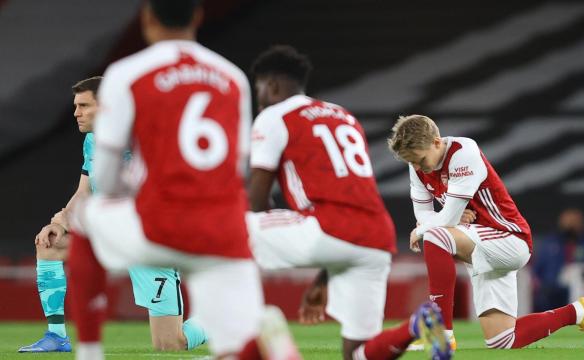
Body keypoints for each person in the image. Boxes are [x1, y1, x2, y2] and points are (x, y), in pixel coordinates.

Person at [65, 2, 299, 359]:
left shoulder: (128, 74)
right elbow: (237, 165)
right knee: (235, 347)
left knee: (84, 217)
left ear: (147, 19)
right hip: (223, 227)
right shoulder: (232, 77)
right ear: (198, 16)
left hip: (159, 223)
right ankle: (260, 336)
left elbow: (108, 176)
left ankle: (90, 351)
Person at [246, 44, 452, 360]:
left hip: (326, 228)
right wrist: (325, 275)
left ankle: (247, 339)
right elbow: (347, 201)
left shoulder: (274, 116)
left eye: (258, 88)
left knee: (227, 231)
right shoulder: (343, 116)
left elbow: (257, 197)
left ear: (271, 85)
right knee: (359, 353)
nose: (258, 97)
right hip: (376, 239)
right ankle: (413, 325)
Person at [18, 76, 207, 353]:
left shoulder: (147, 138)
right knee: (50, 244)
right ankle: (57, 336)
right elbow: (84, 192)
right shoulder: (92, 142)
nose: (75, 113)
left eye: (83, 105)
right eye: (75, 105)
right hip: (114, 233)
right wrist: (59, 222)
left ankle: (218, 320)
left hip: (151, 240)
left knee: (170, 345)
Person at [387, 114, 584, 350]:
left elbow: (441, 220)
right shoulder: (416, 166)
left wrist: (434, 225)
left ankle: (441, 334)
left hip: (509, 238)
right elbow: (425, 215)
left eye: (420, 160)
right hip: (479, 243)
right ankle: (579, 311)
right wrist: (442, 220)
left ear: (437, 142)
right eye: (412, 162)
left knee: (434, 236)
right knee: (502, 340)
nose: (418, 167)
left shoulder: (463, 152)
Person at [533, 208, 584, 312]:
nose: (571, 224)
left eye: (574, 221)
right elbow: (538, 269)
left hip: (581, 288)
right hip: (551, 289)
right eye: (568, 221)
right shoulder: (550, 243)